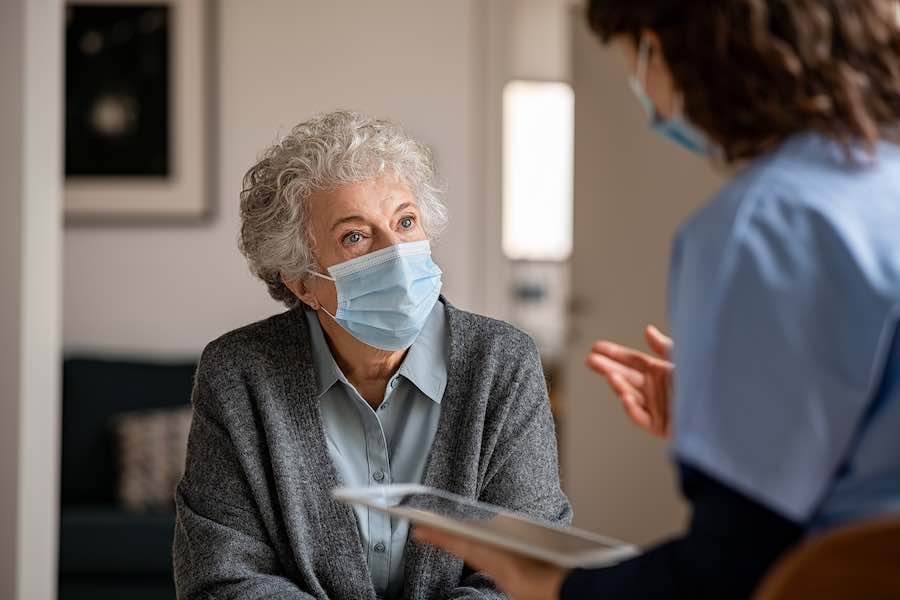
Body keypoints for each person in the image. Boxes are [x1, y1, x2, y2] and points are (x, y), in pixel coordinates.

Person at [415, 1, 900, 598]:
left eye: (630, 61)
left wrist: (551, 584)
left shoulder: (768, 221)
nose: (641, 92)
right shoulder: (879, 184)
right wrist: (731, 417)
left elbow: (729, 570)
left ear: (664, 50)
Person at [172, 111, 571, 599]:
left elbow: (527, 568)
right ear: (300, 281)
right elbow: (222, 578)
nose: (397, 253)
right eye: (355, 237)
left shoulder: (502, 365)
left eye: (405, 221)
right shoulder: (238, 376)